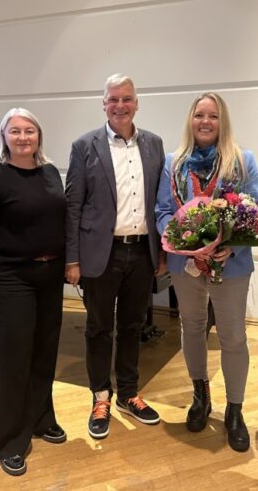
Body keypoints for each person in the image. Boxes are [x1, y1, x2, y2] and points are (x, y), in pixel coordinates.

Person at [155, 92, 258, 452]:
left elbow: (254, 211)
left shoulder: (242, 160)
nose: (205, 121)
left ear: (222, 121)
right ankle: (201, 396)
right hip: (185, 264)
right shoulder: (174, 163)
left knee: (232, 337)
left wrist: (234, 243)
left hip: (230, 265)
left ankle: (235, 410)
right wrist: (179, 236)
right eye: (199, 115)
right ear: (190, 119)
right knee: (193, 327)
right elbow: (161, 212)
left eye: (212, 116)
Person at [0, 108, 67, 476]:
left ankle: (41, 420)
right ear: (3, 137)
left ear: (39, 135)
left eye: (30, 131)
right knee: (15, 360)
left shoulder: (51, 173)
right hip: (11, 278)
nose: (23, 137)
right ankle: (10, 440)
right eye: (15, 131)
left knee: (45, 351)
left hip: (50, 275)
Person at [65, 73, 166, 440]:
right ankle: (100, 396)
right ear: (103, 104)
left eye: (127, 98)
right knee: (98, 328)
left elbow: (160, 202)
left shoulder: (154, 144)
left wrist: (163, 253)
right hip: (100, 254)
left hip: (141, 251)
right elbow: (73, 206)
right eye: (113, 99)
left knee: (132, 326)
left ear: (137, 103)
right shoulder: (84, 146)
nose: (120, 105)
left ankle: (128, 393)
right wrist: (72, 259)